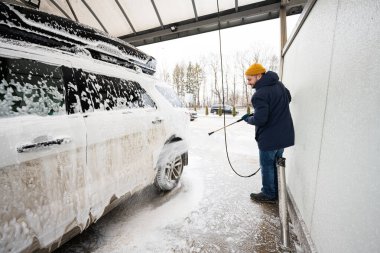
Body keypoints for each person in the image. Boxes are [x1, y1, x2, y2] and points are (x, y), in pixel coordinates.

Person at [241, 63, 294, 203]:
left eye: (250, 79)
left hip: (269, 138)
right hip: (283, 135)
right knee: (277, 165)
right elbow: (288, 98)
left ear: (259, 76)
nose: (248, 83)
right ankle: (276, 191)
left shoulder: (259, 94)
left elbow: (260, 120)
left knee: (267, 166)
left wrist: (248, 118)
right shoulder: (279, 85)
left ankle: (268, 194)